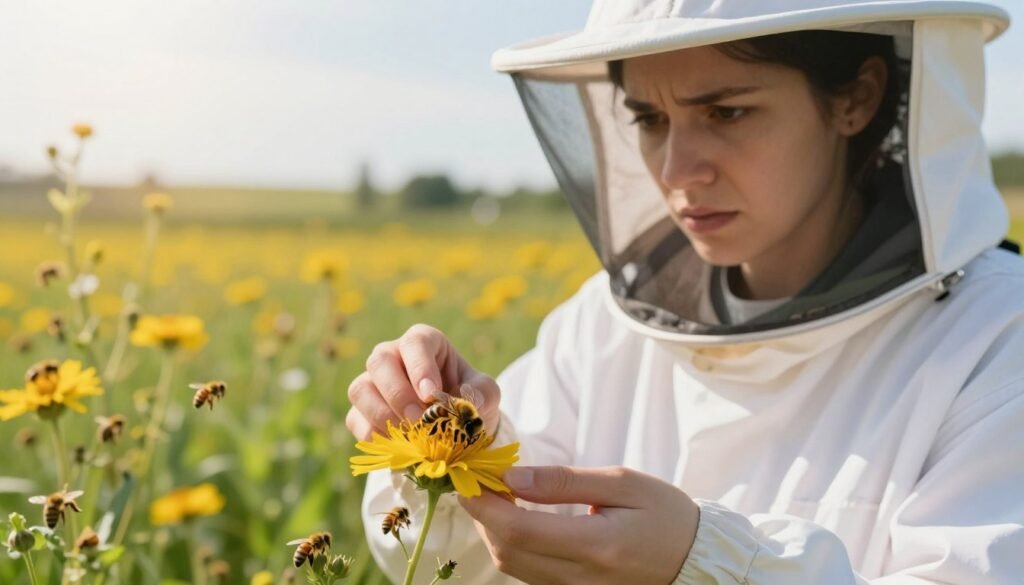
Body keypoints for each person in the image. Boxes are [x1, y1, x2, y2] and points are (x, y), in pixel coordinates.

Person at [347, 0, 1024, 583]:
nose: (677, 170)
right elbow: (457, 560)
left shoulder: (999, 339)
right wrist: (447, 439)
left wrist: (704, 565)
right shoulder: (601, 327)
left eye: (727, 111)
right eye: (649, 119)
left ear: (856, 98)